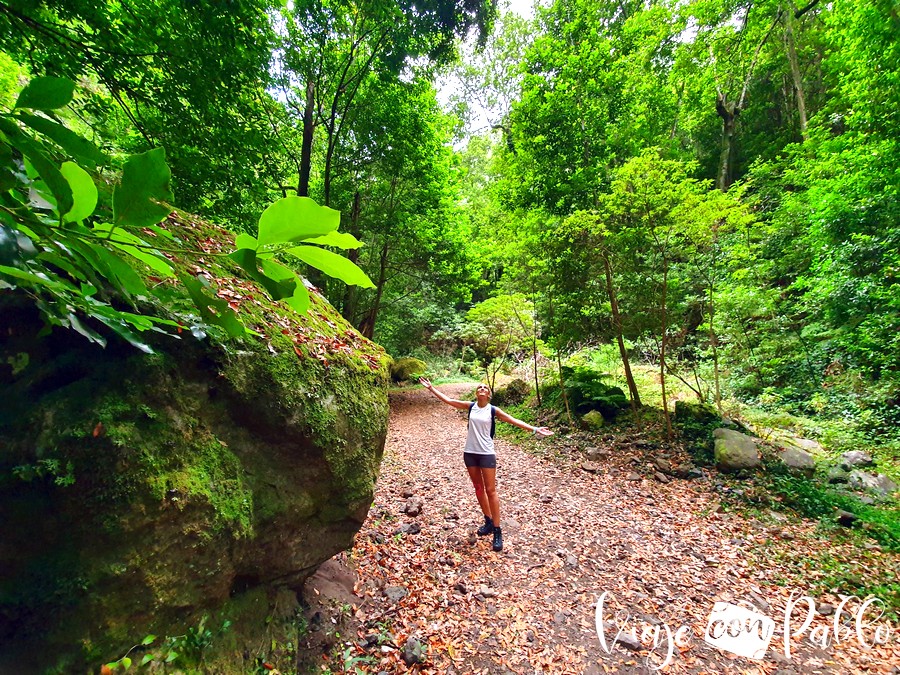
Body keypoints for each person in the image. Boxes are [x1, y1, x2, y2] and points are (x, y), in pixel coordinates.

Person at [418, 377, 553, 552]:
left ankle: (497, 530)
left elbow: (513, 420)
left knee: (491, 490)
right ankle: (488, 521)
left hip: (486, 454)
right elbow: (449, 401)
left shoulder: (493, 410)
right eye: (479, 387)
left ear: (488, 394)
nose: (482, 389)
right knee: (478, 488)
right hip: (470, 453)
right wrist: (431, 388)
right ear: (477, 393)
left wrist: (535, 429)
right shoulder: (471, 406)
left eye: (485, 388)